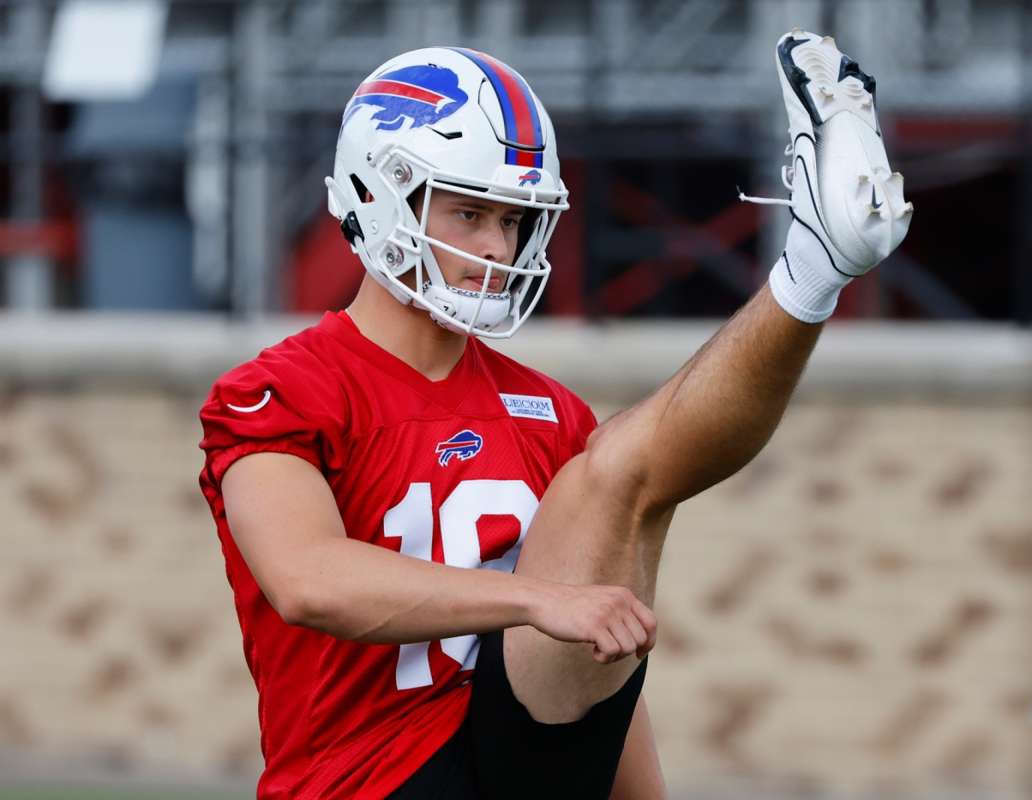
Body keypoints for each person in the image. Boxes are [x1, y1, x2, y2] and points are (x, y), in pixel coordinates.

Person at [198, 30, 910, 800]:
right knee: (615, 471)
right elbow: (307, 580)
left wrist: (577, 623)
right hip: (367, 782)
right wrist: (539, 601)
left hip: (526, 767)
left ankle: (814, 270)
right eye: (469, 213)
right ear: (377, 193)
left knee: (623, 468)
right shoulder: (277, 389)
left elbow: (600, 662)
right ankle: (811, 269)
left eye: (511, 221)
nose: (497, 247)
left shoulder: (549, 414)